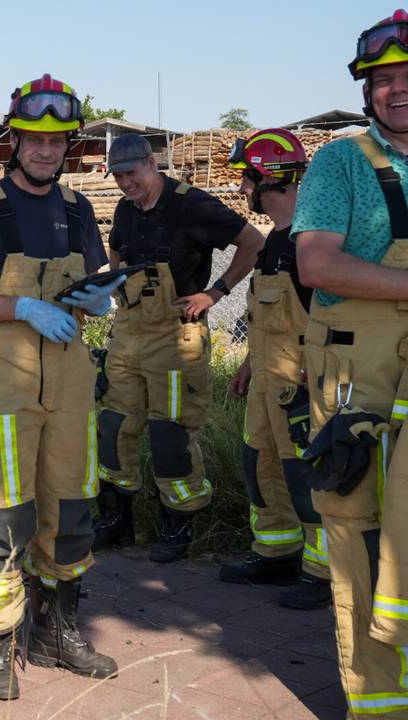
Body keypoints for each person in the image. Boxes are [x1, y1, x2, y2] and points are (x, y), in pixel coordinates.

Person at [0, 74, 120, 701]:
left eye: (57, 139)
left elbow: (95, 287)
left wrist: (102, 294)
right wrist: (21, 308)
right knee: (3, 516)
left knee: (71, 510)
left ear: (69, 143)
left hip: (71, 379)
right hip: (4, 382)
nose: (46, 149)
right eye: (35, 138)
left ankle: (57, 632)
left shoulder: (79, 209)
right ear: (16, 139)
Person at [293, 9, 408, 715]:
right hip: (356, 375)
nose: (398, 90)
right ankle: (377, 701)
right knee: (360, 530)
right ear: (367, 93)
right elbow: (315, 262)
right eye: (384, 80)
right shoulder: (341, 162)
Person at [93, 133, 265, 561]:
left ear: (152, 163)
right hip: (129, 334)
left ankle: (178, 523)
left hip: (176, 337)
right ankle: (116, 520)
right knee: (114, 427)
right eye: (117, 176)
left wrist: (216, 292)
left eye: (131, 173)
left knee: (170, 432)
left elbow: (254, 244)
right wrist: (116, 285)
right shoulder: (125, 209)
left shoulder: (193, 204)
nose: (125, 184)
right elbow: (115, 248)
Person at [218, 129, 332, 610]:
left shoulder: (313, 241)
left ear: (270, 178)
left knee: (306, 477)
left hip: (302, 384)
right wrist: (246, 364)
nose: (242, 190)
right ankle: (276, 554)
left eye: (247, 180)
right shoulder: (271, 245)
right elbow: (266, 320)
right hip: (266, 380)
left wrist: (315, 372)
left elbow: (330, 318)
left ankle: (322, 573)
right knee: (260, 467)